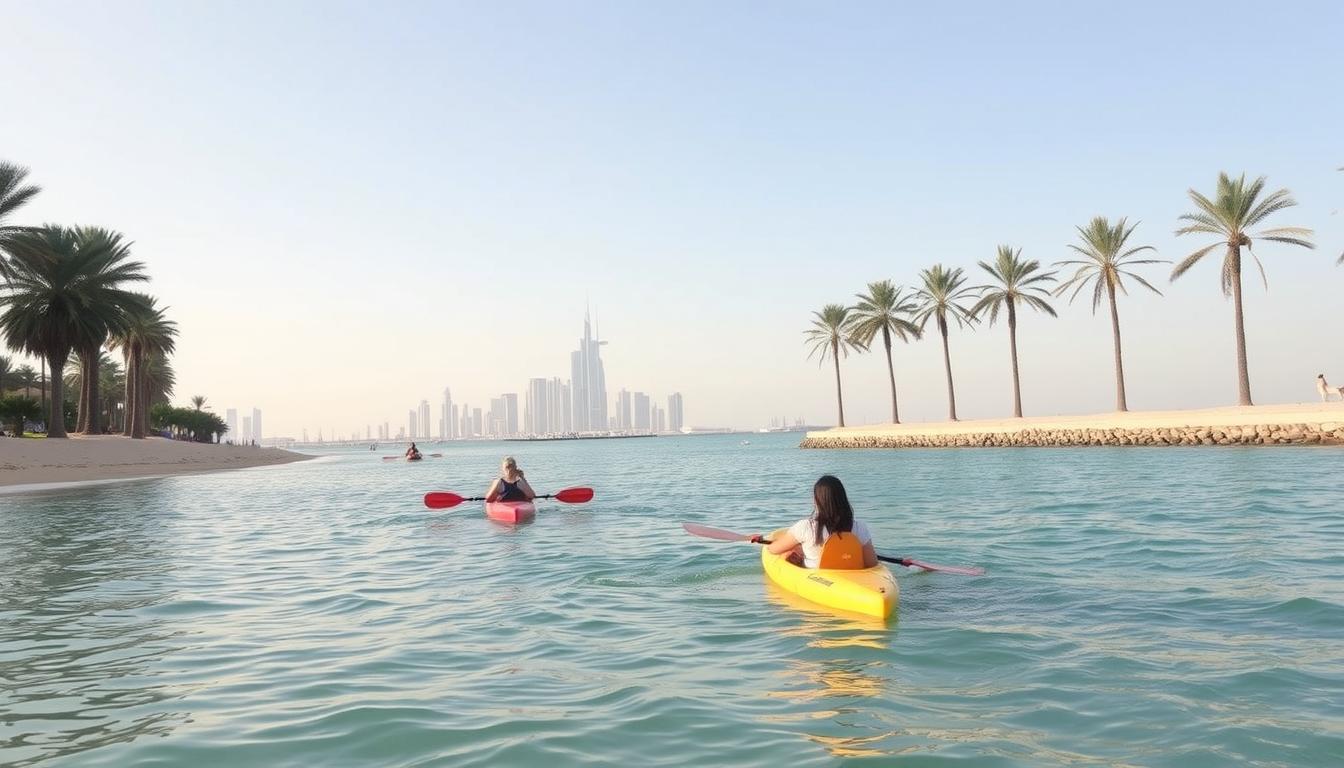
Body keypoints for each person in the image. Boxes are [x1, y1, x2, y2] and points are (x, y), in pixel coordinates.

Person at [752, 475, 878, 569]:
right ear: (843, 498)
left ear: (816, 500)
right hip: (851, 577)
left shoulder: (806, 527)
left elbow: (772, 550)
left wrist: (796, 548)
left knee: (787, 555)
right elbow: (871, 563)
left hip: (817, 579)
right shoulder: (859, 527)